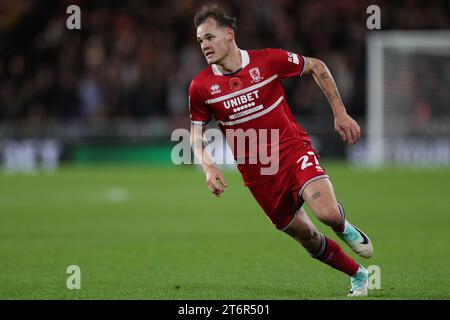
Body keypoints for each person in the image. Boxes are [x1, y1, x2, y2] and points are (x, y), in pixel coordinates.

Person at [188, 4, 373, 297]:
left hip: (291, 150)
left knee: (325, 214)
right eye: (200, 41)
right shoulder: (201, 86)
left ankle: (343, 225)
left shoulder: (268, 61)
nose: (205, 45)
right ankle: (358, 275)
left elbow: (317, 66)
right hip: (258, 175)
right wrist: (208, 167)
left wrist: (340, 112)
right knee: (309, 238)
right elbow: (196, 133)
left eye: (209, 37)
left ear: (229, 35)